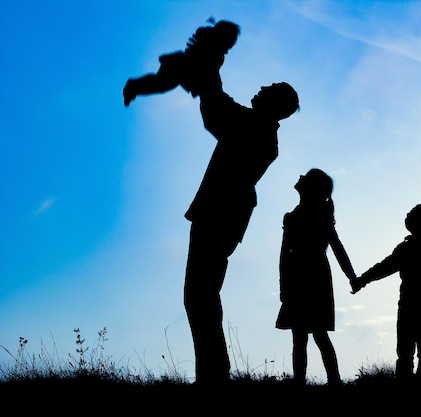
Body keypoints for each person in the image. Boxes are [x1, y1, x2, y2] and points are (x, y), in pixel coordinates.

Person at [180, 38, 300, 383]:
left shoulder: (256, 128)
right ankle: (214, 373)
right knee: (201, 295)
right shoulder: (256, 127)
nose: (262, 87)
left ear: (276, 104)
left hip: (219, 215)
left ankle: (214, 376)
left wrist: (211, 64)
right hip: (222, 216)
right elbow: (217, 107)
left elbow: (216, 109)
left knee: (199, 295)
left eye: (271, 88)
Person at [351, 199, 421, 380]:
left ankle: (409, 376)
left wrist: (363, 280)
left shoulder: (410, 247)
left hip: (410, 302)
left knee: (409, 345)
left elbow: (383, 267)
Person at [275, 168, 358, 387]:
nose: (300, 178)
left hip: (307, 276)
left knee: (309, 334)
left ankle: (327, 380)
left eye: (305, 177)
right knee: (306, 335)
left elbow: (285, 255)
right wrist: (352, 276)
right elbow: (285, 255)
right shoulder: (302, 216)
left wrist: (352, 276)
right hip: (310, 275)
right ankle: (324, 380)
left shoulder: (310, 216)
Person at [122, 18, 240, 106]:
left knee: (161, 84)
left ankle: (133, 87)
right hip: (180, 65)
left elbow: (210, 73)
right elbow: (203, 39)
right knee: (161, 83)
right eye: (231, 40)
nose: (231, 44)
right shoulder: (211, 43)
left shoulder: (217, 54)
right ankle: (132, 86)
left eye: (232, 42)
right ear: (222, 35)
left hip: (185, 69)